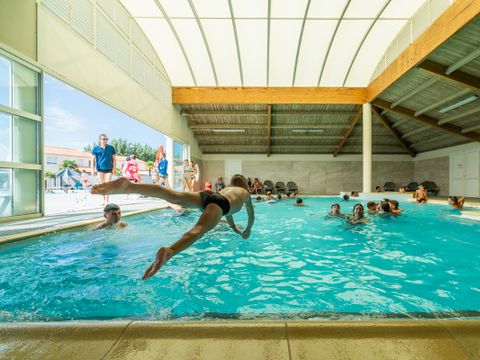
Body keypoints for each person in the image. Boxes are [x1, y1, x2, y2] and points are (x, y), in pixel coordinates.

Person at [92, 175, 254, 279]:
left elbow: (228, 212)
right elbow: (250, 213)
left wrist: (233, 228)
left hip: (211, 196)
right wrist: (247, 229)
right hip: (221, 204)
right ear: (245, 186)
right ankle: (170, 251)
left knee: (173, 195)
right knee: (198, 230)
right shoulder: (245, 193)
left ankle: (130, 186)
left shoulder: (228, 189)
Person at [91, 134, 116, 205]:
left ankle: (107, 200)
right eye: (104, 139)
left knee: (107, 184)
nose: (105, 140)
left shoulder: (111, 148)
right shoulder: (95, 149)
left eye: (106, 139)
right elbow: (93, 160)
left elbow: (114, 159)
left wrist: (114, 168)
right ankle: (104, 200)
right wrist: (92, 170)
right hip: (100, 169)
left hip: (109, 168)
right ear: (100, 140)